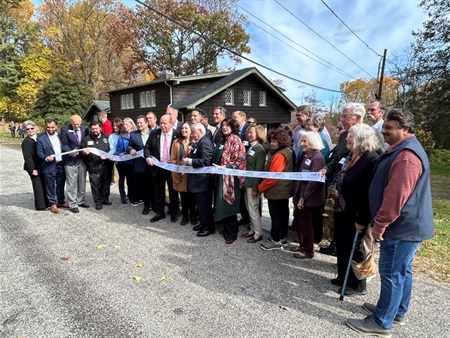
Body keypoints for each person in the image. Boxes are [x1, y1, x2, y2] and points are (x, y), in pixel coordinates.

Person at [346, 109, 434, 337]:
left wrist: (379, 225)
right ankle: (396, 311)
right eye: (383, 126)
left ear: (405, 129)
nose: (383, 131)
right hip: (406, 225)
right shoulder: (402, 150)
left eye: (389, 128)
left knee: (392, 272)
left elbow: (396, 196)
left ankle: (382, 321)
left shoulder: (407, 156)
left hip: (401, 227)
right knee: (401, 271)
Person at [331, 124, 380, 296]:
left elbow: (368, 192)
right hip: (344, 208)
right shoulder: (353, 156)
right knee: (343, 244)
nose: (346, 139)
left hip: (358, 212)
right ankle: (343, 276)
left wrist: (362, 219)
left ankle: (358, 284)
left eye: (350, 136)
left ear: (360, 138)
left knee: (356, 247)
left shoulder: (371, 160)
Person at [318, 102, 365, 256]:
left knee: (357, 238)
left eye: (345, 116)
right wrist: (327, 168)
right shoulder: (344, 135)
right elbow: (337, 157)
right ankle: (337, 251)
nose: (342, 119)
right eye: (341, 116)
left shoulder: (367, 134)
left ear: (357, 117)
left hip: (355, 189)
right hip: (337, 184)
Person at [290, 131, 326, 259]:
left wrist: (303, 197)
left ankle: (308, 251)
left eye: (305, 141)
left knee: (306, 223)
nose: (302, 143)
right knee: (300, 222)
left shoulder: (317, 158)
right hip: (301, 194)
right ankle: (302, 245)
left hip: (308, 198)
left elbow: (313, 182)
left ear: (313, 142)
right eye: (302, 140)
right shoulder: (307, 155)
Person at [258, 127, 293, 250]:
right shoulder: (286, 151)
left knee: (276, 216)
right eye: (271, 141)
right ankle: (282, 237)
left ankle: (275, 240)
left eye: (274, 141)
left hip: (277, 191)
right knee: (283, 214)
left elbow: (272, 177)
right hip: (283, 190)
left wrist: (260, 187)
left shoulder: (279, 155)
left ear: (281, 141)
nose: (271, 144)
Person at [212, 117, 246, 244]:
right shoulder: (222, 140)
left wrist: (225, 167)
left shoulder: (235, 139)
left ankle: (232, 233)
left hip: (231, 179)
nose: (224, 127)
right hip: (221, 177)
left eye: (227, 125)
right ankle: (227, 229)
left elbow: (240, 159)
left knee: (230, 204)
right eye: (223, 125)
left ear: (233, 127)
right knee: (223, 203)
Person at [144, 114, 180, 222]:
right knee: (158, 191)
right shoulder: (155, 133)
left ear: (171, 123)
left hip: (171, 169)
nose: (162, 125)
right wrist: (148, 157)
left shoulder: (176, 135)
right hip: (157, 168)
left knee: (173, 192)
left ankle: (174, 212)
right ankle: (160, 213)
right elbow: (146, 147)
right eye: (161, 123)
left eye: (165, 123)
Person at [182, 123, 215, 237]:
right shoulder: (199, 142)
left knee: (204, 205)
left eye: (193, 132)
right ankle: (204, 223)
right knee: (201, 205)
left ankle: (208, 227)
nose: (191, 134)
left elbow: (206, 161)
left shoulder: (204, 142)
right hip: (198, 181)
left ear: (200, 131)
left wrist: (189, 161)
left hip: (203, 181)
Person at [240, 124, 266, 243]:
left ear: (258, 134)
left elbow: (258, 171)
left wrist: (255, 188)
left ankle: (258, 233)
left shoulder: (259, 149)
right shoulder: (251, 148)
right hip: (247, 183)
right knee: (249, 208)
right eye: (248, 132)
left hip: (253, 185)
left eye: (252, 133)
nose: (249, 134)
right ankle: (252, 230)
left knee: (253, 209)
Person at [36, 118, 68, 213]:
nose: (50, 129)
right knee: (50, 185)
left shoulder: (61, 136)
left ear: (56, 126)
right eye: (48, 127)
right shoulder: (41, 138)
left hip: (60, 164)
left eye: (52, 127)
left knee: (61, 184)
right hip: (48, 165)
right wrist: (46, 157)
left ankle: (61, 201)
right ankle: (53, 203)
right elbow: (39, 152)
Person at [60, 115, 90, 213]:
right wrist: (69, 152)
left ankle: (81, 200)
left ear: (81, 123)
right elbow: (64, 144)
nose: (76, 126)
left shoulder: (85, 129)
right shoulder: (65, 129)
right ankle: (72, 203)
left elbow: (86, 142)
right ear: (71, 123)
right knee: (71, 183)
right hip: (70, 160)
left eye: (78, 124)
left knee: (82, 181)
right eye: (74, 124)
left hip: (82, 159)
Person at [171, 122, 196, 225]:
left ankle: (193, 216)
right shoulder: (176, 142)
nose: (184, 130)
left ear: (191, 130)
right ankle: (185, 216)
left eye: (186, 128)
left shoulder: (195, 141)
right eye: (182, 128)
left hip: (193, 175)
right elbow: (173, 160)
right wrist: (175, 175)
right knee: (183, 197)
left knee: (192, 197)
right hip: (181, 175)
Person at [82, 121, 112, 210]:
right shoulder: (86, 139)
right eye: (93, 129)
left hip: (106, 165)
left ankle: (105, 198)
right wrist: (85, 153)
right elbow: (83, 153)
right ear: (90, 129)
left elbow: (112, 149)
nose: (95, 130)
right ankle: (98, 202)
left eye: (96, 128)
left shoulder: (107, 137)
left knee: (106, 183)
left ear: (100, 128)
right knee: (95, 185)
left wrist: (107, 156)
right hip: (94, 166)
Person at [128, 115, 154, 213]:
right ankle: (146, 206)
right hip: (140, 165)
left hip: (152, 164)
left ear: (146, 123)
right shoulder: (133, 134)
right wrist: (131, 149)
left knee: (154, 185)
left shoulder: (154, 133)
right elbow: (129, 146)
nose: (138, 124)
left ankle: (154, 204)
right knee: (144, 187)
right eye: (137, 123)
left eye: (140, 123)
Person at [21, 120, 48, 210]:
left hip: (43, 165)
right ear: (25, 131)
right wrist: (33, 169)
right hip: (33, 166)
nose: (30, 130)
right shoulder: (26, 142)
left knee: (45, 184)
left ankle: (48, 202)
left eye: (31, 128)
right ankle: (40, 205)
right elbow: (27, 157)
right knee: (38, 185)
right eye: (27, 129)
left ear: (35, 128)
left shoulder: (41, 137)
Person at [232, 110, 251, 227]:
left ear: (243, 118)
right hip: (237, 167)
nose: (233, 119)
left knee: (249, 196)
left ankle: (252, 220)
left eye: (235, 117)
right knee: (240, 194)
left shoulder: (249, 129)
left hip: (248, 166)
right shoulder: (234, 131)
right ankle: (244, 217)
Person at [115, 117, 136, 204]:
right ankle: (123, 196)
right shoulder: (122, 135)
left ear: (131, 125)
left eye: (127, 124)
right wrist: (119, 155)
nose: (125, 126)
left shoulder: (135, 134)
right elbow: (118, 148)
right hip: (122, 161)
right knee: (121, 179)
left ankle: (131, 195)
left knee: (131, 180)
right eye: (124, 124)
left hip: (132, 161)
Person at [107, 118, 122, 186]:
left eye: (117, 125)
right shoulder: (111, 136)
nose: (115, 127)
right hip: (117, 158)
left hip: (126, 158)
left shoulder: (124, 134)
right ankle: (122, 195)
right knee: (121, 176)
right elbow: (112, 148)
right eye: (114, 125)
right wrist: (108, 155)